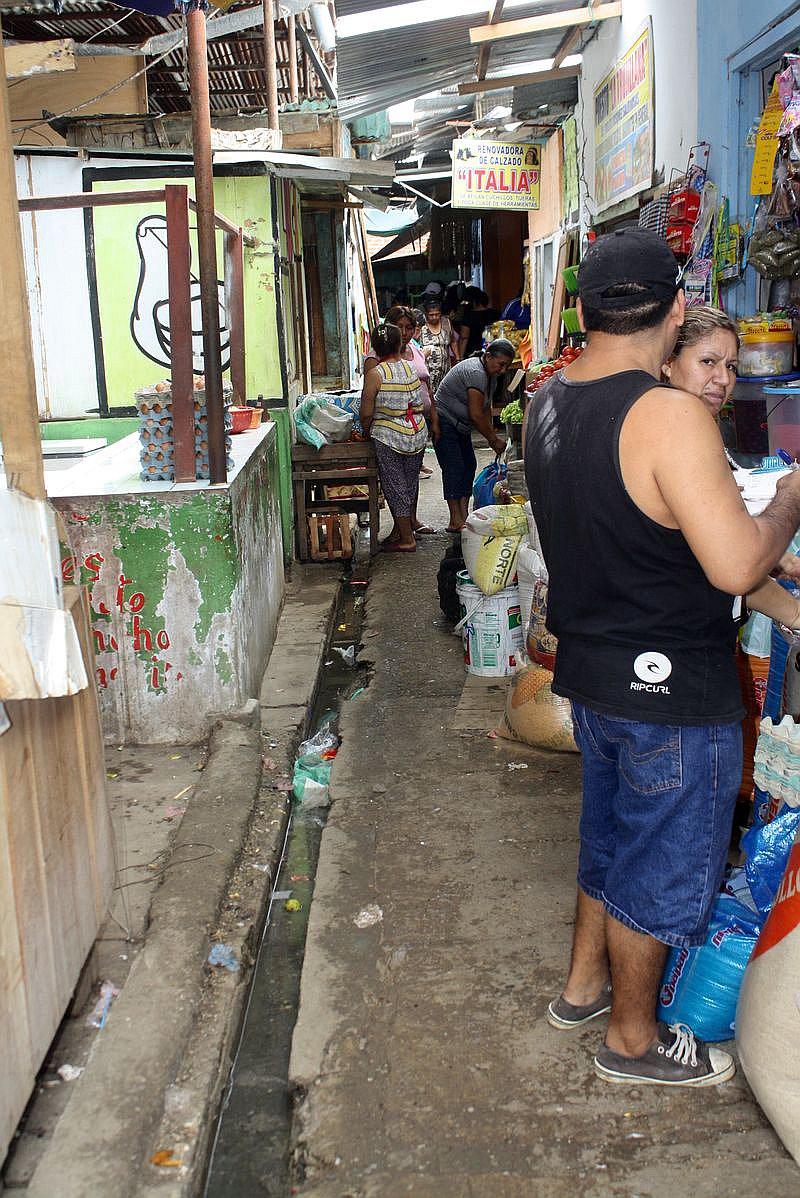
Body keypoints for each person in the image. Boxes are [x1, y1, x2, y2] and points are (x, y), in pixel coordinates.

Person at [524, 227, 800, 1088]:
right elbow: (735, 565)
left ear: (583, 310)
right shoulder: (667, 415)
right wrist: (788, 502)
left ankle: (582, 990)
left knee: (608, 843)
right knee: (656, 862)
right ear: (675, 309)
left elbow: (644, 537)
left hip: (596, 677)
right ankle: (634, 1041)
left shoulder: (548, 399)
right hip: (671, 689)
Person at [360, 323, 429, 553]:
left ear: (375, 349)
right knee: (409, 484)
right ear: (400, 344)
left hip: (388, 436)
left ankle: (407, 539)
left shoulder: (375, 374)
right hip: (416, 431)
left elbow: (367, 412)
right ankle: (402, 531)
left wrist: (366, 429)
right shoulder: (410, 367)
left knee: (394, 486)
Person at [434, 338, 512, 532]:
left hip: (460, 425)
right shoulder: (476, 372)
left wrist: (491, 435)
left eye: (506, 366)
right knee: (454, 467)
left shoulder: (490, 376)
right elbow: (476, 414)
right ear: (487, 357)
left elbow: (485, 409)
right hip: (445, 420)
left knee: (469, 464)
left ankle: (463, 515)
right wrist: (493, 439)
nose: (502, 370)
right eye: (501, 364)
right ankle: (455, 519)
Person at [364, 305, 436, 490]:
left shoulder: (415, 351)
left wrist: (434, 420)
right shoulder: (375, 359)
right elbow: (369, 399)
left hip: (417, 427)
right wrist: (368, 429)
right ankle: (404, 519)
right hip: (389, 432)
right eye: (399, 327)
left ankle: (410, 518)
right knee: (397, 485)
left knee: (410, 482)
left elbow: (428, 387)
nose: (404, 332)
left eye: (409, 327)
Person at [419, 297, 459, 396]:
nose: (434, 317)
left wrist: (458, 358)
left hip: (445, 368)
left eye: (437, 314)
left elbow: (453, 341)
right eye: (431, 315)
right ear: (426, 315)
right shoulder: (421, 326)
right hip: (428, 372)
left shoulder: (446, 323)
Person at [457, 287, 501, 359]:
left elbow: (464, 337)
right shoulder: (495, 314)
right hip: (493, 352)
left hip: (473, 354)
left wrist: (460, 358)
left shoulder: (468, 316)